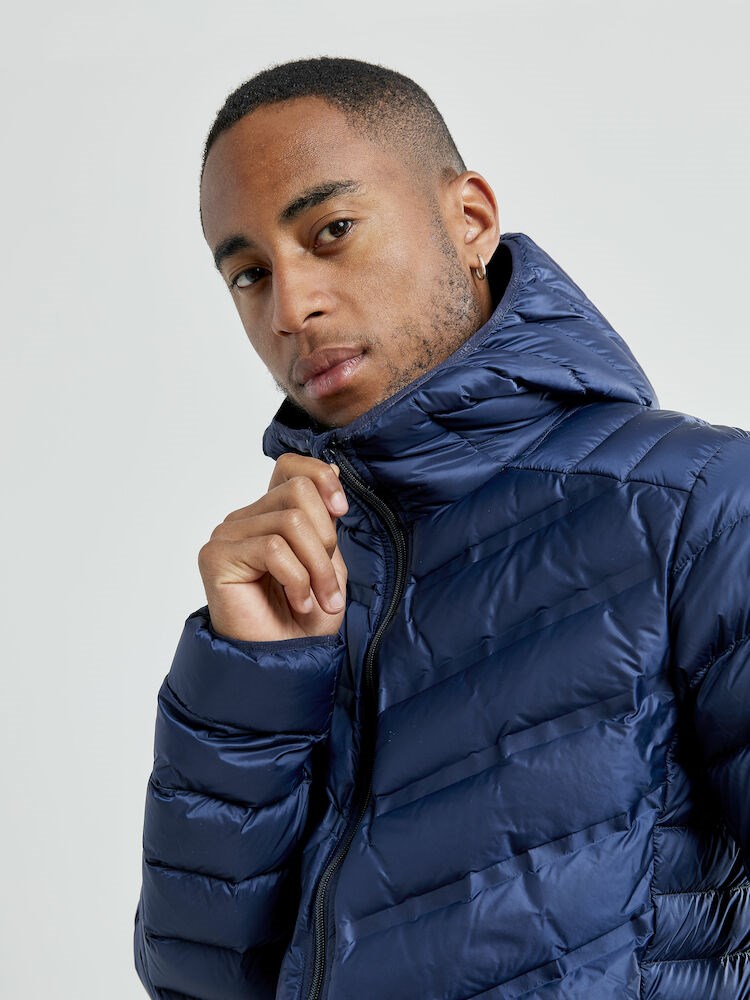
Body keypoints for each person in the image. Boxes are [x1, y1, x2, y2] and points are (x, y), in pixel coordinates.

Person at [133, 56, 750, 1000]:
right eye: (250, 274)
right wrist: (252, 689)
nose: (292, 308)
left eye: (332, 232)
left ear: (470, 220)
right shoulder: (294, 585)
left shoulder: (696, 505)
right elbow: (198, 984)